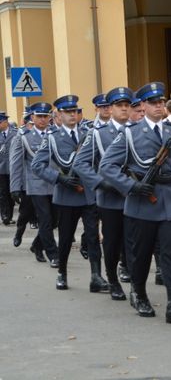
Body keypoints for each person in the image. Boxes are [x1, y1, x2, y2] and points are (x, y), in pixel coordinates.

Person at [99, 82, 171, 325]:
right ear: (143, 106)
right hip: (142, 204)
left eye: (161, 102)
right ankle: (139, 293)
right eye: (153, 103)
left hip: (170, 202)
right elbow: (107, 166)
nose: (159, 106)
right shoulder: (130, 133)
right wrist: (130, 186)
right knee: (140, 255)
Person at [31, 95, 108, 292]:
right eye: (68, 112)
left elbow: (99, 160)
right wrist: (58, 178)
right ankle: (62, 273)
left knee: (92, 236)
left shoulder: (89, 133)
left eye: (75, 111)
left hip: (88, 193)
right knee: (66, 238)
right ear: (58, 115)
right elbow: (37, 165)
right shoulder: (52, 137)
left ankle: (96, 276)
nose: (73, 115)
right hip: (66, 195)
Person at [73, 87, 133, 301]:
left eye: (127, 105)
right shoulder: (98, 134)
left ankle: (136, 284)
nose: (124, 109)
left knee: (134, 241)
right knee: (113, 242)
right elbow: (80, 164)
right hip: (111, 199)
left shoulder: (137, 130)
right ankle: (113, 280)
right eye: (119, 105)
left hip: (135, 197)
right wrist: (100, 183)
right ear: (111, 108)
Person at [10, 103, 59, 266]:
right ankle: (53, 254)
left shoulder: (56, 134)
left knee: (54, 221)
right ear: (32, 118)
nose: (43, 120)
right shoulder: (23, 137)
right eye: (40, 116)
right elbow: (16, 163)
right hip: (36, 185)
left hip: (54, 183)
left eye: (46, 116)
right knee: (45, 219)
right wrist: (15, 187)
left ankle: (37, 245)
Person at [0, 112, 17, 225]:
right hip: (1, 169)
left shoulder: (15, 133)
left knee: (11, 193)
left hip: (12, 168)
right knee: (2, 193)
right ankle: (5, 215)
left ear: (5, 122)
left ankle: (9, 215)